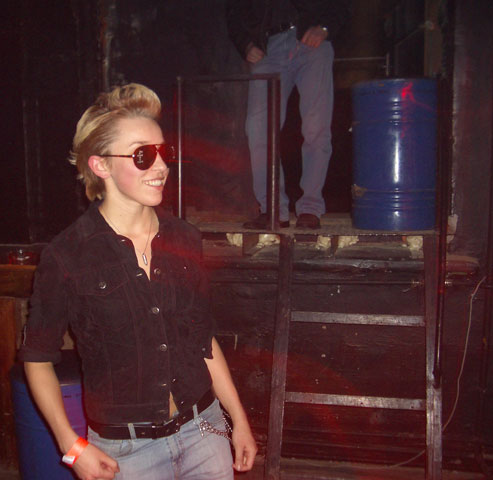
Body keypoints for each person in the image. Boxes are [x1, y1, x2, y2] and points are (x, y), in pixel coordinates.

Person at [19, 83, 257, 479]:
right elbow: (37, 358)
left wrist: (239, 419)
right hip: (127, 453)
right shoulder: (67, 255)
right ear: (101, 166)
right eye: (143, 155)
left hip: (204, 430)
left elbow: (203, 340)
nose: (161, 166)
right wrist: (70, 446)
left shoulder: (184, 238)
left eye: (164, 152)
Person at [226, 0, 351, 229]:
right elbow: (234, 9)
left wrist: (325, 27)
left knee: (316, 126)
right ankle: (273, 209)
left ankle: (310, 207)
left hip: (311, 40)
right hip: (269, 46)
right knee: (258, 129)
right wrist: (245, 44)